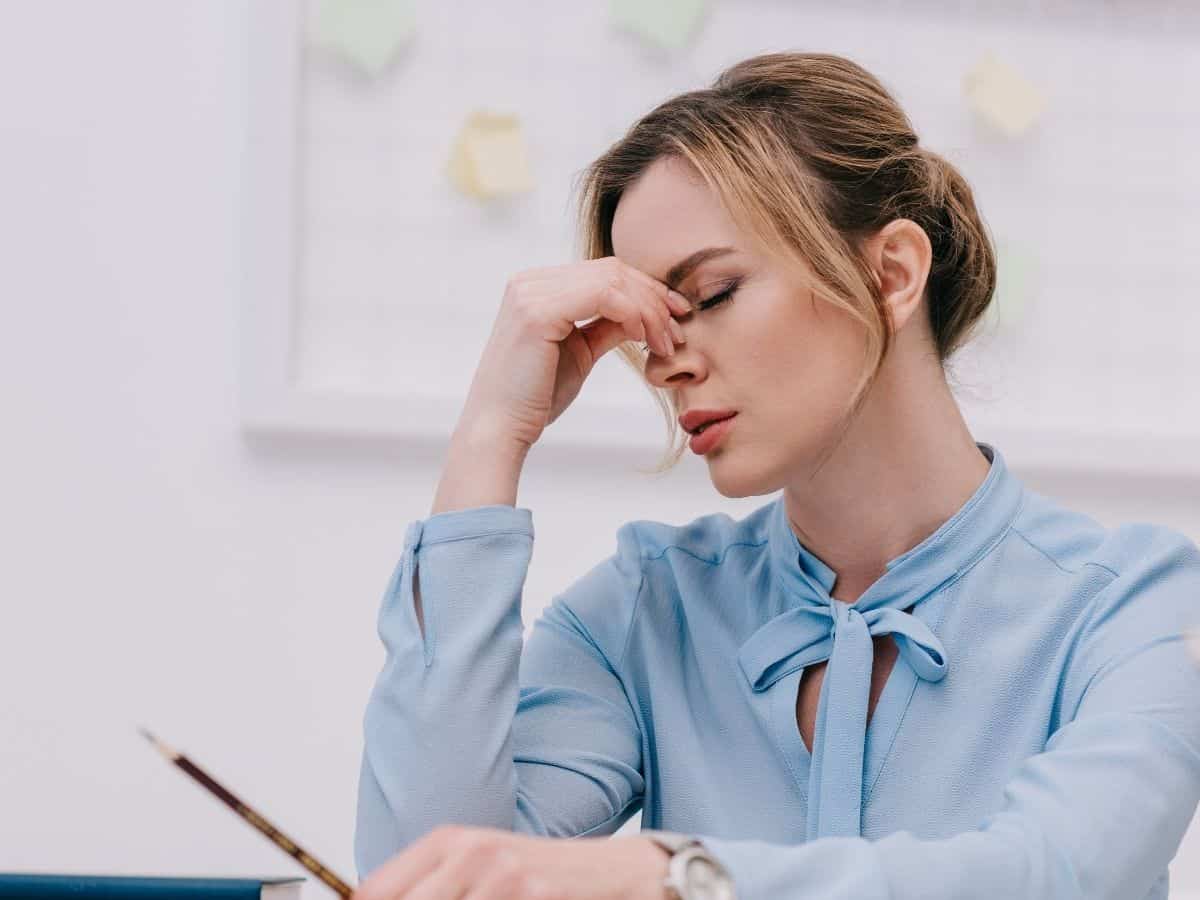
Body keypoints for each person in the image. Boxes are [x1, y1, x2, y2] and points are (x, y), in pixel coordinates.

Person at [350, 51, 1200, 900]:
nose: (664, 366)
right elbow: (423, 873)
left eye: (711, 294)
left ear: (892, 275)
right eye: (649, 326)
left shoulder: (1129, 603)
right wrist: (492, 435)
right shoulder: (651, 609)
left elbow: (1057, 875)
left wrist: (678, 876)